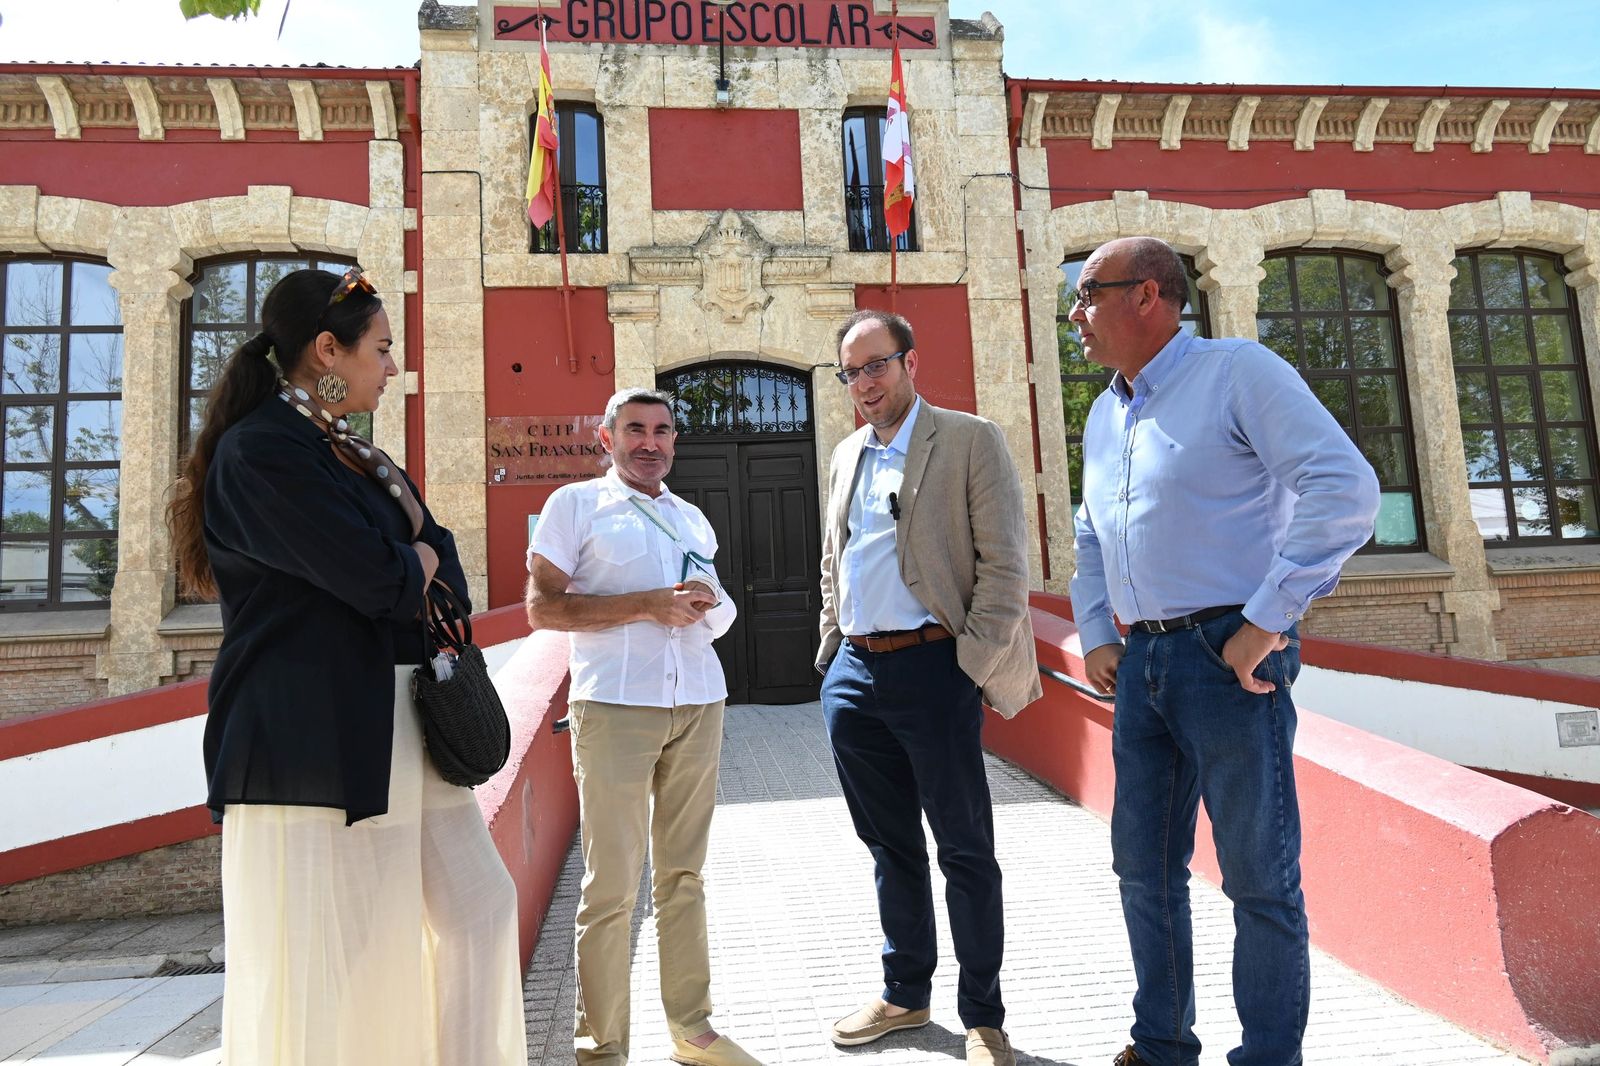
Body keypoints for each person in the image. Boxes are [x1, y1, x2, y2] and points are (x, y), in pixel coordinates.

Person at [166, 267, 527, 1065]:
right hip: (312, 741)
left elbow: (441, 568)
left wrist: (415, 564)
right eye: (382, 349)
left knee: (479, 908)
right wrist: (413, 564)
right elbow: (382, 578)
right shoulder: (260, 452)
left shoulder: (355, 454)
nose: (393, 368)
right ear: (327, 350)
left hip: (405, 722)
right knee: (341, 961)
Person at [1067, 238, 1380, 1066]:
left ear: (1148, 296)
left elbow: (1345, 489)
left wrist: (1267, 619)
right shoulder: (1105, 411)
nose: (1075, 314)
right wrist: (1098, 631)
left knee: (1258, 877)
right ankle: (1162, 1045)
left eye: (1087, 293)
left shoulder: (1239, 372)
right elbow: (1091, 533)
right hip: (1144, 666)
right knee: (1143, 870)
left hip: (1229, 658)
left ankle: (1268, 1056)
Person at [817, 309, 1040, 1066]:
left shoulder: (970, 440)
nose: (864, 384)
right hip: (855, 673)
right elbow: (835, 559)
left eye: (876, 366)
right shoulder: (847, 453)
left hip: (934, 667)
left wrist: (967, 667)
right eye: (851, 373)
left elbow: (1007, 567)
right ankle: (906, 992)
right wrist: (831, 653)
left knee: (965, 849)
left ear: (911, 362)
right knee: (889, 846)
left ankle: (983, 1016)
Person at [525, 388, 759, 1066]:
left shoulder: (690, 518)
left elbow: (711, 610)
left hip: (698, 700)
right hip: (617, 706)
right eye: (635, 429)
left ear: (675, 441)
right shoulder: (575, 506)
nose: (650, 442)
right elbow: (544, 608)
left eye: (662, 431)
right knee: (611, 885)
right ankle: (601, 1046)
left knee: (685, 874)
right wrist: (648, 606)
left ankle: (692, 1028)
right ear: (607, 437)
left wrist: (706, 602)